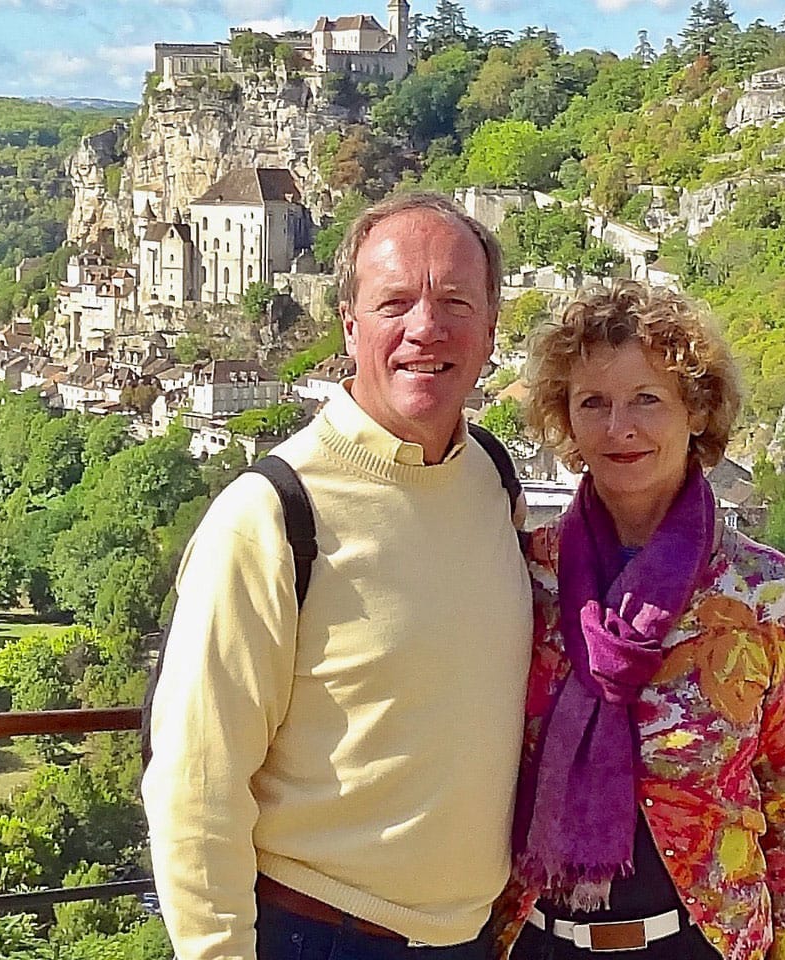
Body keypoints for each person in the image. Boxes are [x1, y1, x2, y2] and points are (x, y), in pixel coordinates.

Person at [142, 192, 532, 960]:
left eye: (456, 301)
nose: (427, 327)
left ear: (490, 327)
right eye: (396, 303)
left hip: (476, 935)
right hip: (318, 933)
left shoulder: (492, 476)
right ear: (350, 324)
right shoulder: (272, 514)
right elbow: (194, 784)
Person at [490, 281, 785, 960]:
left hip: (702, 943)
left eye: (648, 399)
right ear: (566, 422)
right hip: (535, 942)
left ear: (695, 409)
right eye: (593, 403)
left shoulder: (760, 591)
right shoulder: (526, 577)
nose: (620, 429)